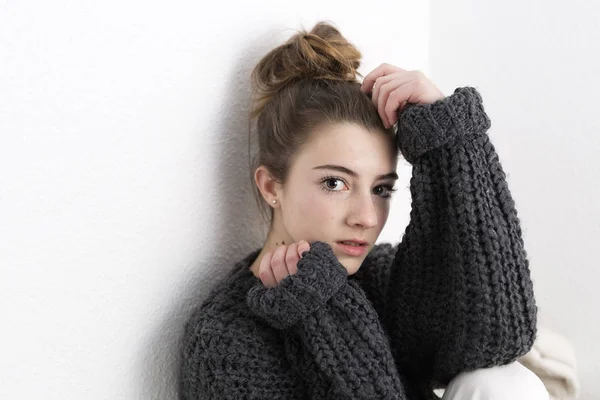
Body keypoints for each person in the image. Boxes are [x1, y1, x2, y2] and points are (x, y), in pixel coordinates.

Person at [178, 21, 549, 400]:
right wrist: (320, 314)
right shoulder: (225, 344)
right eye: (335, 183)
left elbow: (502, 335)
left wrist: (449, 141)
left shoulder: (379, 277)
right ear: (272, 186)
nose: (368, 218)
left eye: (381, 188)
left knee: (504, 382)